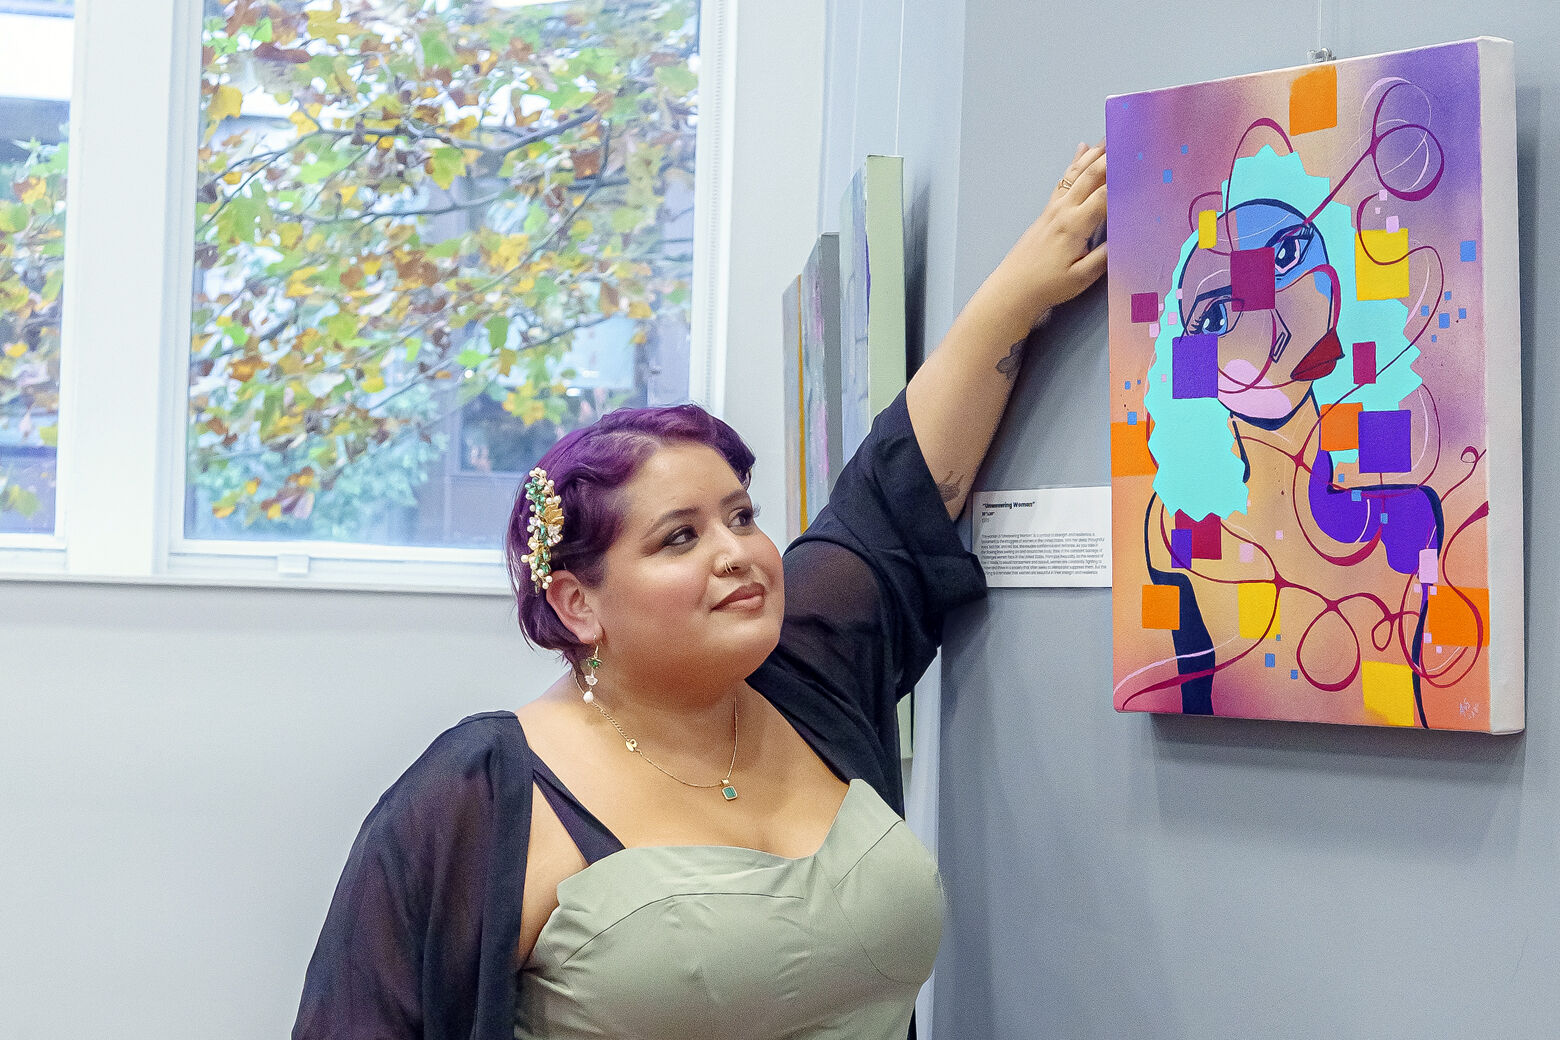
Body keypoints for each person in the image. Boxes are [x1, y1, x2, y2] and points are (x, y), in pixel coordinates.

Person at [292, 142, 1107, 1040]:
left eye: (741, 516)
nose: (738, 553)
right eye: (679, 537)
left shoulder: (808, 675)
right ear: (577, 604)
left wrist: (1021, 293)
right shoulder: (481, 795)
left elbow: (896, 492)